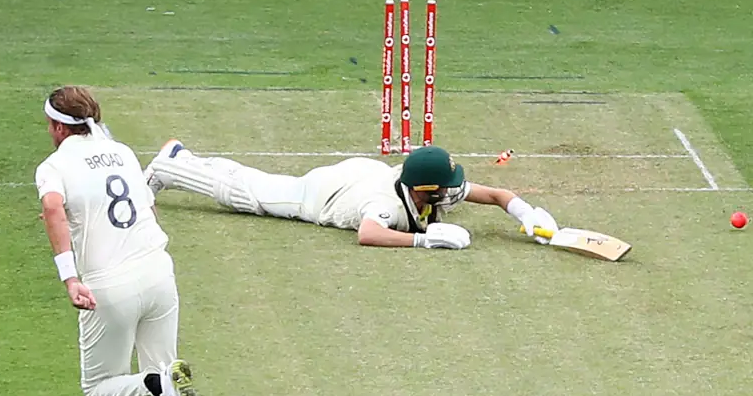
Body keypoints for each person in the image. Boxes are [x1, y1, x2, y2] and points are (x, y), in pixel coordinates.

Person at [35, 86, 242, 396]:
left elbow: (53, 209)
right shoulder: (123, 152)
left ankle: (157, 383)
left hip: (110, 287)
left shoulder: (53, 166)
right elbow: (148, 208)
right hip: (158, 273)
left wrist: (70, 277)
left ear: (58, 127)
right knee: (169, 383)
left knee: (101, 388)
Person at [146, 142, 559, 250]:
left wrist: (525, 213)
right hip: (318, 196)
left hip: (361, 174)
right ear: (424, 189)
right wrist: (423, 240)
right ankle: (168, 166)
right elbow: (368, 233)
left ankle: (182, 157)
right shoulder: (385, 205)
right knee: (248, 193)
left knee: (253, 179)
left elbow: (496, 194)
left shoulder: (434, 191)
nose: (454, 190)